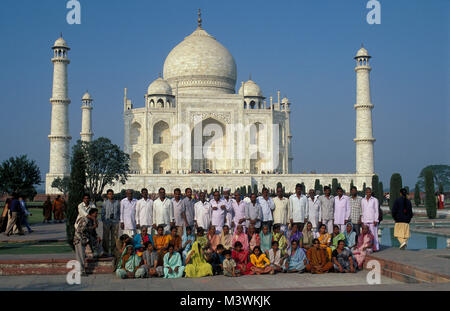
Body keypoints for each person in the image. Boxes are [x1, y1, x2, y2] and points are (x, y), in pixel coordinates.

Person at [73, 208, 100, 276]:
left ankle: (81, 271)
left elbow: (92, 232)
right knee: (80, 256)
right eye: (95, 214)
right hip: (79, 239)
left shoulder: (90, 221)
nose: (96, 215)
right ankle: (81, 271)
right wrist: (93, 227)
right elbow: (81, 230)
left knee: (81, 256)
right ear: (91, 214)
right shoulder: (85, 219)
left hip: (83, 240)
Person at [101, 189, 120, 256]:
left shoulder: (117, 202)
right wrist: (104, 220)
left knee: (114, 238)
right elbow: (102, 213)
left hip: (115, 222)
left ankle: (113, 252)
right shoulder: (105, 202)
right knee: (105, 237)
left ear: (113, 194)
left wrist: (118, 220)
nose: (111, 195)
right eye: (109, 194)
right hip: (107, 221)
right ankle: (105, 252)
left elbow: (119, 212)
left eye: (112, 194)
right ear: (107, 195)